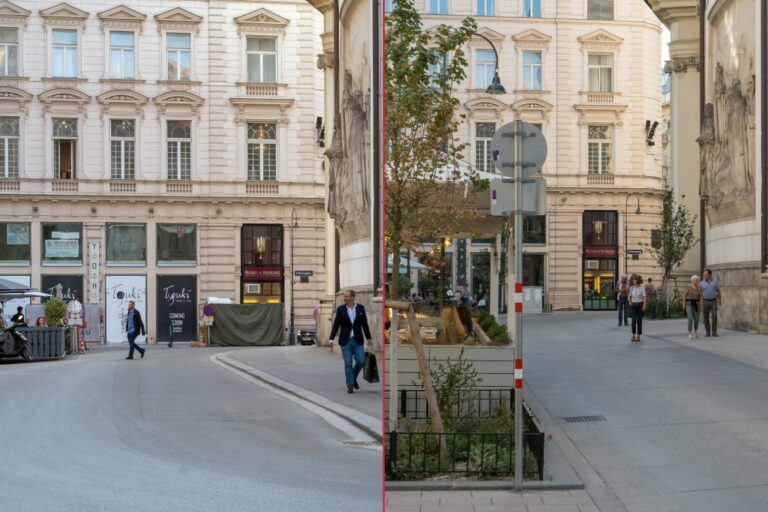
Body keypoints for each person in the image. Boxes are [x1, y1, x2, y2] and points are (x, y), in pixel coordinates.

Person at [328, 289, 372, 393]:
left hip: (357, 340)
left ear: (352, 297)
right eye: (344, 296)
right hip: (346, 341)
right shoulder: (340, 309)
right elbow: (336, 325)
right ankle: (350, 385)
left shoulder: (360, 308)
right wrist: (331, 339)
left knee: (361, 361)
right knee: (348, 363)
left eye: (346, 296)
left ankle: (352, 378)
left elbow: (364, 324)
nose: (344, 298)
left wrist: (369, 337)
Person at [700, 269, 722, 337]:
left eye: (706, 274)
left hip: (713, 301)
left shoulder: (715, 282)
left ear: (710, 275)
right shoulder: (701, 283)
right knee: (706, 317)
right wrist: (701, 305)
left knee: (714, 316)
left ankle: (714, 332)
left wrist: (720, 301)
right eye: (704, 274)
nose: (704, 276)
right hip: (705, 301)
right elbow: (701, 294)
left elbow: (718, 291)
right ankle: (707, 332)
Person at [628, 274, 647, 342]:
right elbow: (629, 296)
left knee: (639, 321)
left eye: (635, 279)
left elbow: (644, 297)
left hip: (640, 305)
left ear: (638, 280)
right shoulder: (631, 287)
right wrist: (629, 301)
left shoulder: (642, 287)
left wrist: (644, 305)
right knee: (633, 321)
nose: (633, 280)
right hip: (633, 305)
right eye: (633, 279)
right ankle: (633, 335)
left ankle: (638, 335)